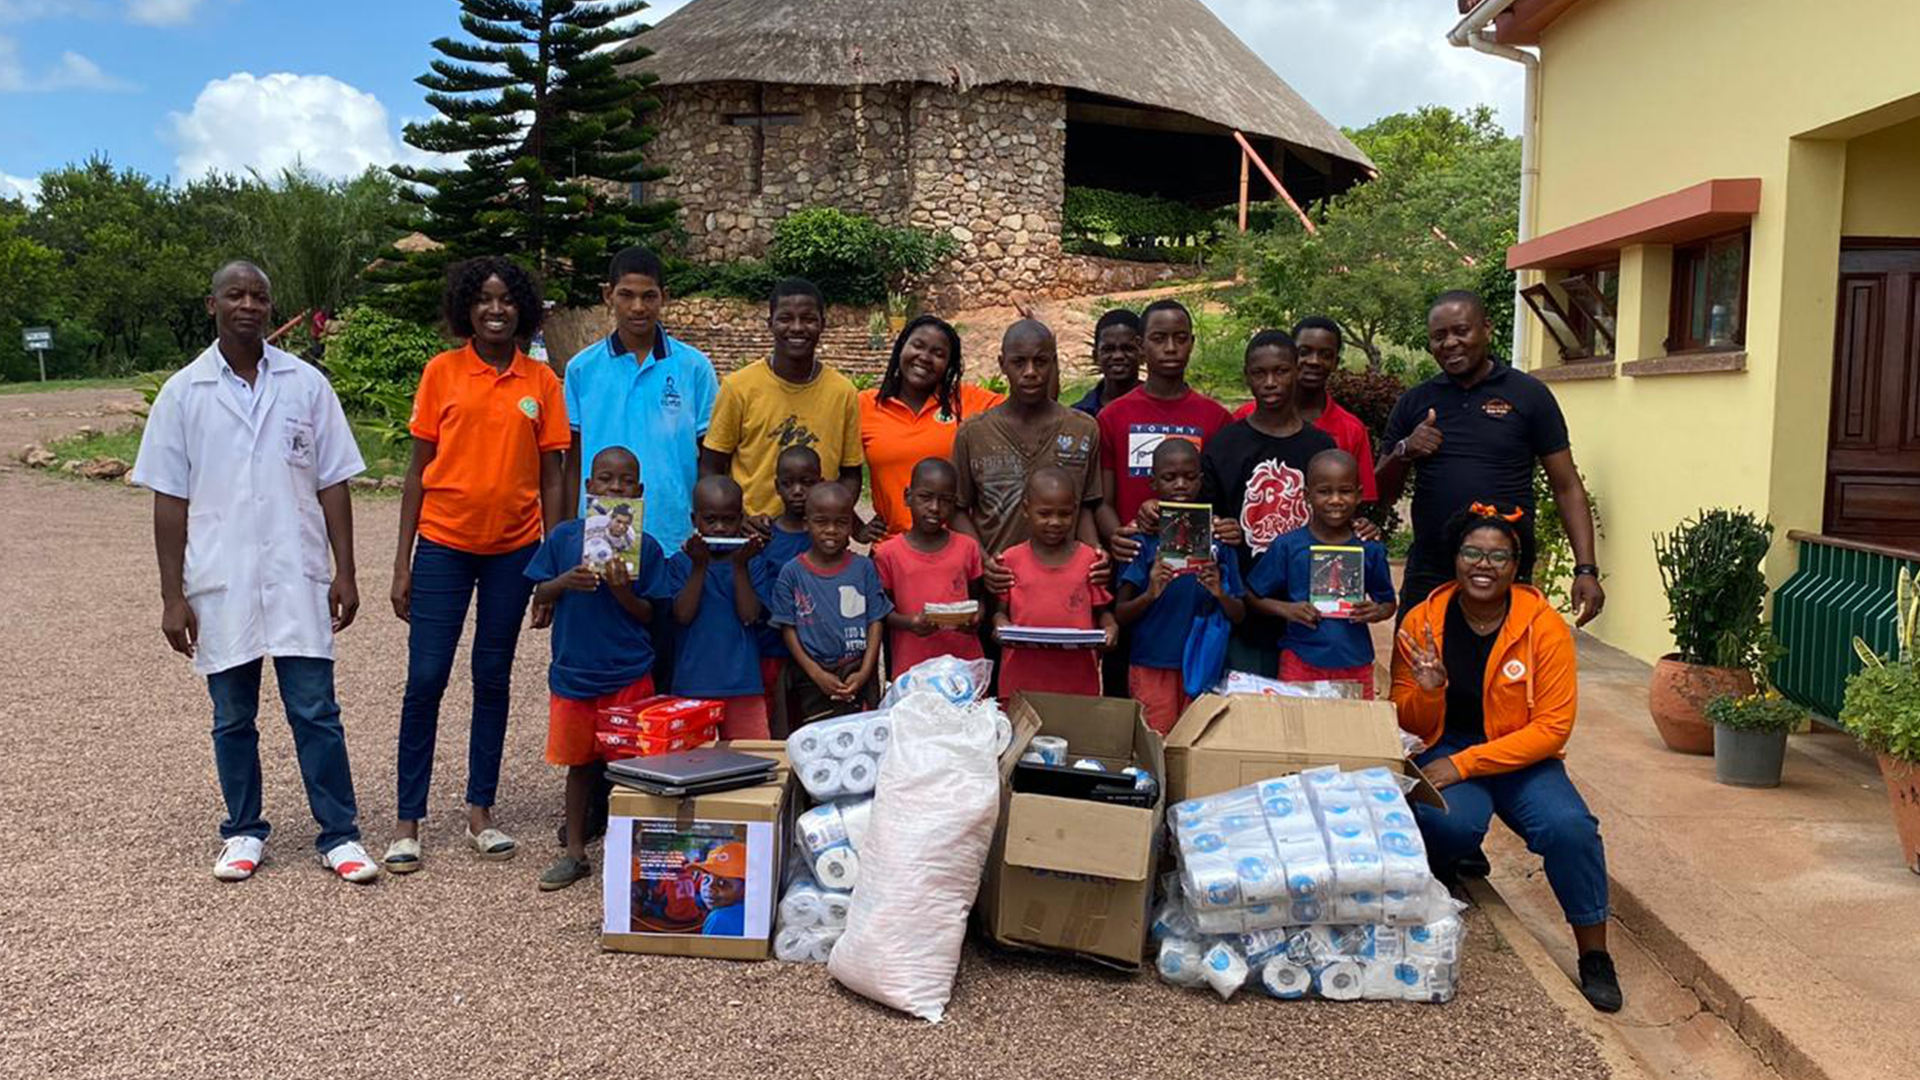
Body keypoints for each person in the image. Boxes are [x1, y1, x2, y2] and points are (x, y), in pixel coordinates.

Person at [132, 259, 377, 884]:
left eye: (259, 296)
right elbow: (169, 500)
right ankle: (243, 829)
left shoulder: (306, 385)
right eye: (235, 294)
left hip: (298, 574)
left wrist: (344, 571)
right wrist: (172, 597)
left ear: (272, 307)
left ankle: (340, 833)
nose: (249, 304)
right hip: (222, 579)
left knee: (316, 710)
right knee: (232, 716)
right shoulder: (184, 393)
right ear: (212, 305)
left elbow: (333, 483)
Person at [1392, 504, 1621, 1013]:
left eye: (1499, 556)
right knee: (1448, 823)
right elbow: (1404, 718)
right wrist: (1429, 691)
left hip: (1521, 755)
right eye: (1472, 552)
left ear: (1517, 566)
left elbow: (1553, 727)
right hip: (1446, 742)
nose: (1484, 564)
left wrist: (1466, 765)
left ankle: (1595, 954)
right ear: (1455, 558)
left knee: (1570, 829)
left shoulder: (1543, 627)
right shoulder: (1422, 620)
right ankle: (1443, 871)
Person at [387, 256, 568, 874]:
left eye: (507, 299)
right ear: (467, 307)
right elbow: (416, 473)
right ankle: (408, 820)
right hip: (442, 544)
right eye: (484, 299)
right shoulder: (442, 373)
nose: (496, 310)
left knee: (492, 677)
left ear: (523, 308)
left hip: (514, 552)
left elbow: (553, 477)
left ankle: (480, 812)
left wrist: (551, 562)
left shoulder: (540, 383)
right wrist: (402, 562)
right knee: (426, 678)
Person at [1377, 290, 1604, 621]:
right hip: (1431, 568)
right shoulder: (1415, 402)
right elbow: (1380, 492)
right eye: (1439, 336)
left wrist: (1586, 568)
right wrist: (1404, 450)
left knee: (1501, 670)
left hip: (1503, 567)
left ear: (1487, 328)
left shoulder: (1529, 395)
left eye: (1461, 331)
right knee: (1416, 668)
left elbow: (1566, 486)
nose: (1450, 343)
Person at [524, 445, 672, 891]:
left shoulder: (645, 545)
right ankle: (574, 851)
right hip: (575, 672)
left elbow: (651, 615)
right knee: (579, 765)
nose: (615, 487)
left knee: (631, 767)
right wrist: (564, 582)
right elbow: (540, 592)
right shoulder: (567, 538)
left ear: (640, 491)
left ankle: (633, 852)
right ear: (589, 487)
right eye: (605, 480)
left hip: (628, 673)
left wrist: (623, 592)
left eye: (626, 481)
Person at [561, 246, 719, 550]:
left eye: (649, 296)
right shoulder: (582, 368)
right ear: (608, 295)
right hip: (600, 527)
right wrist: (566, 533)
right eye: (626, 294)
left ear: (665, 296)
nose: (637, 307)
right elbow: (573, 456)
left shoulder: (694, 367)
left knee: (670, 598)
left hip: (674, 530)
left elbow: (710, 457)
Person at [1197, 331, 1336, 676]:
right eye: (1260, 373)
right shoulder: (1224, 445)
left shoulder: (1321, 446)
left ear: (1296, 371)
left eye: (1281, 371)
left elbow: (1339, 513)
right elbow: (1202, 523)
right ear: (1247, 375)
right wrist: (1218, 528)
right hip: (1245, 614)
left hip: (1311, 613)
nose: (1271, 382)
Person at [701, 278, 868, 532]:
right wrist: (740, 518)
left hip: (815, 541)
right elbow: (712, 466)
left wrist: (829, 517)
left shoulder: (842, 392)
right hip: (755, 535)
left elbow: (850, 473)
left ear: (823, 323)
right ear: (770, 324)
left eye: (809, 319)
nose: (797, 327)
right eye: (786, 318)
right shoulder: (738, 387)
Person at [1113, 439, 1245, 732]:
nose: (1180, 485)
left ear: (1201, 480)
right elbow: (1121, 614)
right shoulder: (1141, 541)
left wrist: (1219, 592)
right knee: (1155, 743)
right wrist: (1150, 593)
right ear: (1153, 483)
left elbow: (1239, 613)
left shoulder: (1219, 540)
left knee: (1195, 741)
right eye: (1170, 478)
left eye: (1189, 477)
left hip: (1202, 661)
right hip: (1152, 662)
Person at [1247, 450, 1397, 697]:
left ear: (1359, 495)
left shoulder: (1369, 548)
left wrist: (1377, 611)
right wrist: (1287, 609)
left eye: (1345, 491)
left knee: (1351, 730)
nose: (1335, 500)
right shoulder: (1288, 546)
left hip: (1355, 662)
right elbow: (1251, 595)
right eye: (1325, 491)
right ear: (1307, 496)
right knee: (1298, 728)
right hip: (1300, 660)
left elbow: (1388, 603)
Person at [951, 319, 1102, 558]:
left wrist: (1095, 551)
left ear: (1053, 363)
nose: (1030, 372)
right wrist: (982, 559)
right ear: (1002, 364)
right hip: (999, 581)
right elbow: (957, 509)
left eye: (1040, 362)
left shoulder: (1082, 429)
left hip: (1064, 580)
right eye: (1019, 362)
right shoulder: (974, 433)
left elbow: (1085, 506)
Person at [1095, 300, 1233, 542]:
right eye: (1158, 338)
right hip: (1134, 562)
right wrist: (1118, 536)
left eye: (1180, 338)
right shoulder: (1112, 417)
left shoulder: (1217, 418)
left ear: (1192, 343)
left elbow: (1221, 498)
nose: (1170, 348)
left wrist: (1223, 527)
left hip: (1195, 562)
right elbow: (1101, 501)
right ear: (1140, 345)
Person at [857, 315, 1004, 537]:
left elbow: (1030, 409)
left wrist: (1044, 342)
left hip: (954, 552)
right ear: (901, 348)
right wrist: (856, 527)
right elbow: (833, 468)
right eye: (917, 345)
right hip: (891, 552)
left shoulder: (965, 401)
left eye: (938, 354)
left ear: (949, 365)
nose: (925, 357)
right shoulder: (866, 405)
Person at [769, 481, 893, 727]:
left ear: (851, 524)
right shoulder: (792, 573)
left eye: (841, 522)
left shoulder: (864, 568)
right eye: (821, 521)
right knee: (816, 741)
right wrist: (816, 673)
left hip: (857, 671)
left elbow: (875, 621)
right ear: (806, 523)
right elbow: (788, 629)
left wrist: (866, 671)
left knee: (861, 738)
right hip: (811, 677)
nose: (831, 530)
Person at [992, 467, 1119, 698]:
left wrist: (1110, 629)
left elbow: (1102, 612)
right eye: (1045, 513)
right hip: (1021, 680)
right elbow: (1000, 612)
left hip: (1076, 681)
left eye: (1064, 514)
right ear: (1025, 510)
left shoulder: (1090, 559)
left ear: (1075, 511)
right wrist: (1001, 628)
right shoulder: (1010, 559)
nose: (1055, 522)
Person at [664, 475, 774, 739]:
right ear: (694, 521)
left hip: (743, 685)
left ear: (741, 519)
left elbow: (750, 615)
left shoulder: (753, 563)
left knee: (750, 761)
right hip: (693, 684)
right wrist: (699, 566)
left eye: (729, 520)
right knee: (694, 765)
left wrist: (740, 566)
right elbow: (682, 614)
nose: (721, 528)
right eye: (710, 520)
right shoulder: (681, 563)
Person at [1229, 316, 1378, 502]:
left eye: (1325, 355)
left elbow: (1360, 501)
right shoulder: (1244, 418)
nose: (1314, 361)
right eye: (1304, 352)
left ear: (1336, 363)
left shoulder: (1352, 430)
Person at [874, 457, 987, 675]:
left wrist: (976, 618)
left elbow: (978, 596)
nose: (935, 507)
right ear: (908, 497)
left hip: (963, 665)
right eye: (925, 497)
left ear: (954, 504)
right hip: (913, 668)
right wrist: (911, 623)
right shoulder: (888, 554)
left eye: (945, 500)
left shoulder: (967, 547)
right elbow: (882, 611)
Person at [751, 444, 824, 719]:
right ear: (776, 486)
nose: (797, 491)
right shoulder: (766, 538)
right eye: (788, 483)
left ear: (821, 482)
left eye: (807, 483)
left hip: (819, 650)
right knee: (777, 719)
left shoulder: (827, 538)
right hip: (774, 649)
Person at [1070, 308, 1144, 418]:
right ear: (1095, 356)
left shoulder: (1160, 406)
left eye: (1127, 348)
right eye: (1108, 349)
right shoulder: (1080, 415)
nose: (1118, 356)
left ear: (1143, 353)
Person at [694, 842, 749, 936]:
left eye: (722, 883)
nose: (709, 888)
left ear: (747, 887)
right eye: (706, 879)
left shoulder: (719, 918)